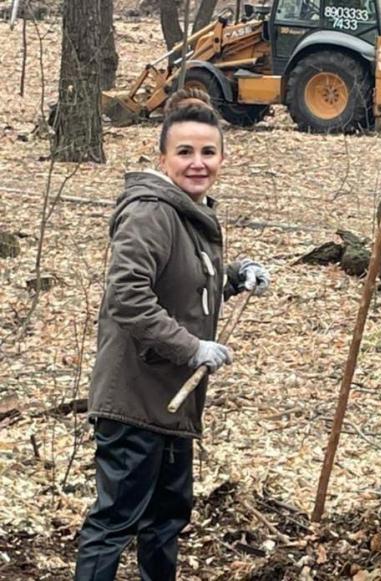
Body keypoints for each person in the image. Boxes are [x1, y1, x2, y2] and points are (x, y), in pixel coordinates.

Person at [75, 88, 270, 580]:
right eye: (185, 152)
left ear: (223, 157)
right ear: (163, 157)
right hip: (135, 399)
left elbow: (182, 282)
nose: (198, 162)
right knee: (116, 521)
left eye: (208, 152)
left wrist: (233, 276)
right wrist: (192, 347)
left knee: (165, 521)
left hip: (172, 403)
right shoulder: (151, 212)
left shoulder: (189, 213)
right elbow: (129, 297)